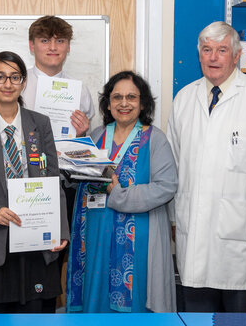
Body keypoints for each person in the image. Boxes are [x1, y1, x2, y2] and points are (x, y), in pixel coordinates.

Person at [166, 21, 246, 313]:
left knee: (237, 322)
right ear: (199, 55)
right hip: (193, 227)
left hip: (242, 228)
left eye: (222, 50)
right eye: (207, 50)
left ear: (237, 55)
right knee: (197, 319)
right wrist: (174, 218)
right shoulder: (184, 99)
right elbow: (173, 164)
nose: (213, 57)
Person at [0, 51, 69, 313]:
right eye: (0, 77)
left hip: (36, 237)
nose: (7, 84)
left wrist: (60, 231)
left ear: (23, 82)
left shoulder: (40, 124)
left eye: (14, 77)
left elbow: (53, 181)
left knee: (36, 322)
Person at [66, 71, 177, 313]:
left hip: (138, 240)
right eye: (116, 97)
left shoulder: (155, 139)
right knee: (96, 306)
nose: (124, 103)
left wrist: (118, 195)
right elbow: (79, 179)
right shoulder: (96, 136)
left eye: (131, 97)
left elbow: (166, 186)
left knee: (135, 310)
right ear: (107, 103)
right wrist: (77, 142)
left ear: (143, 103)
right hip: (96, 237)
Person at [22, 15, 94, 137]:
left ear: (68, 47)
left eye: (60, 41)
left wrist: (82, 133)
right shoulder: (17, 85)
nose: (53, 47)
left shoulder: (80, 90)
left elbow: (86, 140)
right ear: (32, 46)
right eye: (45, 40)